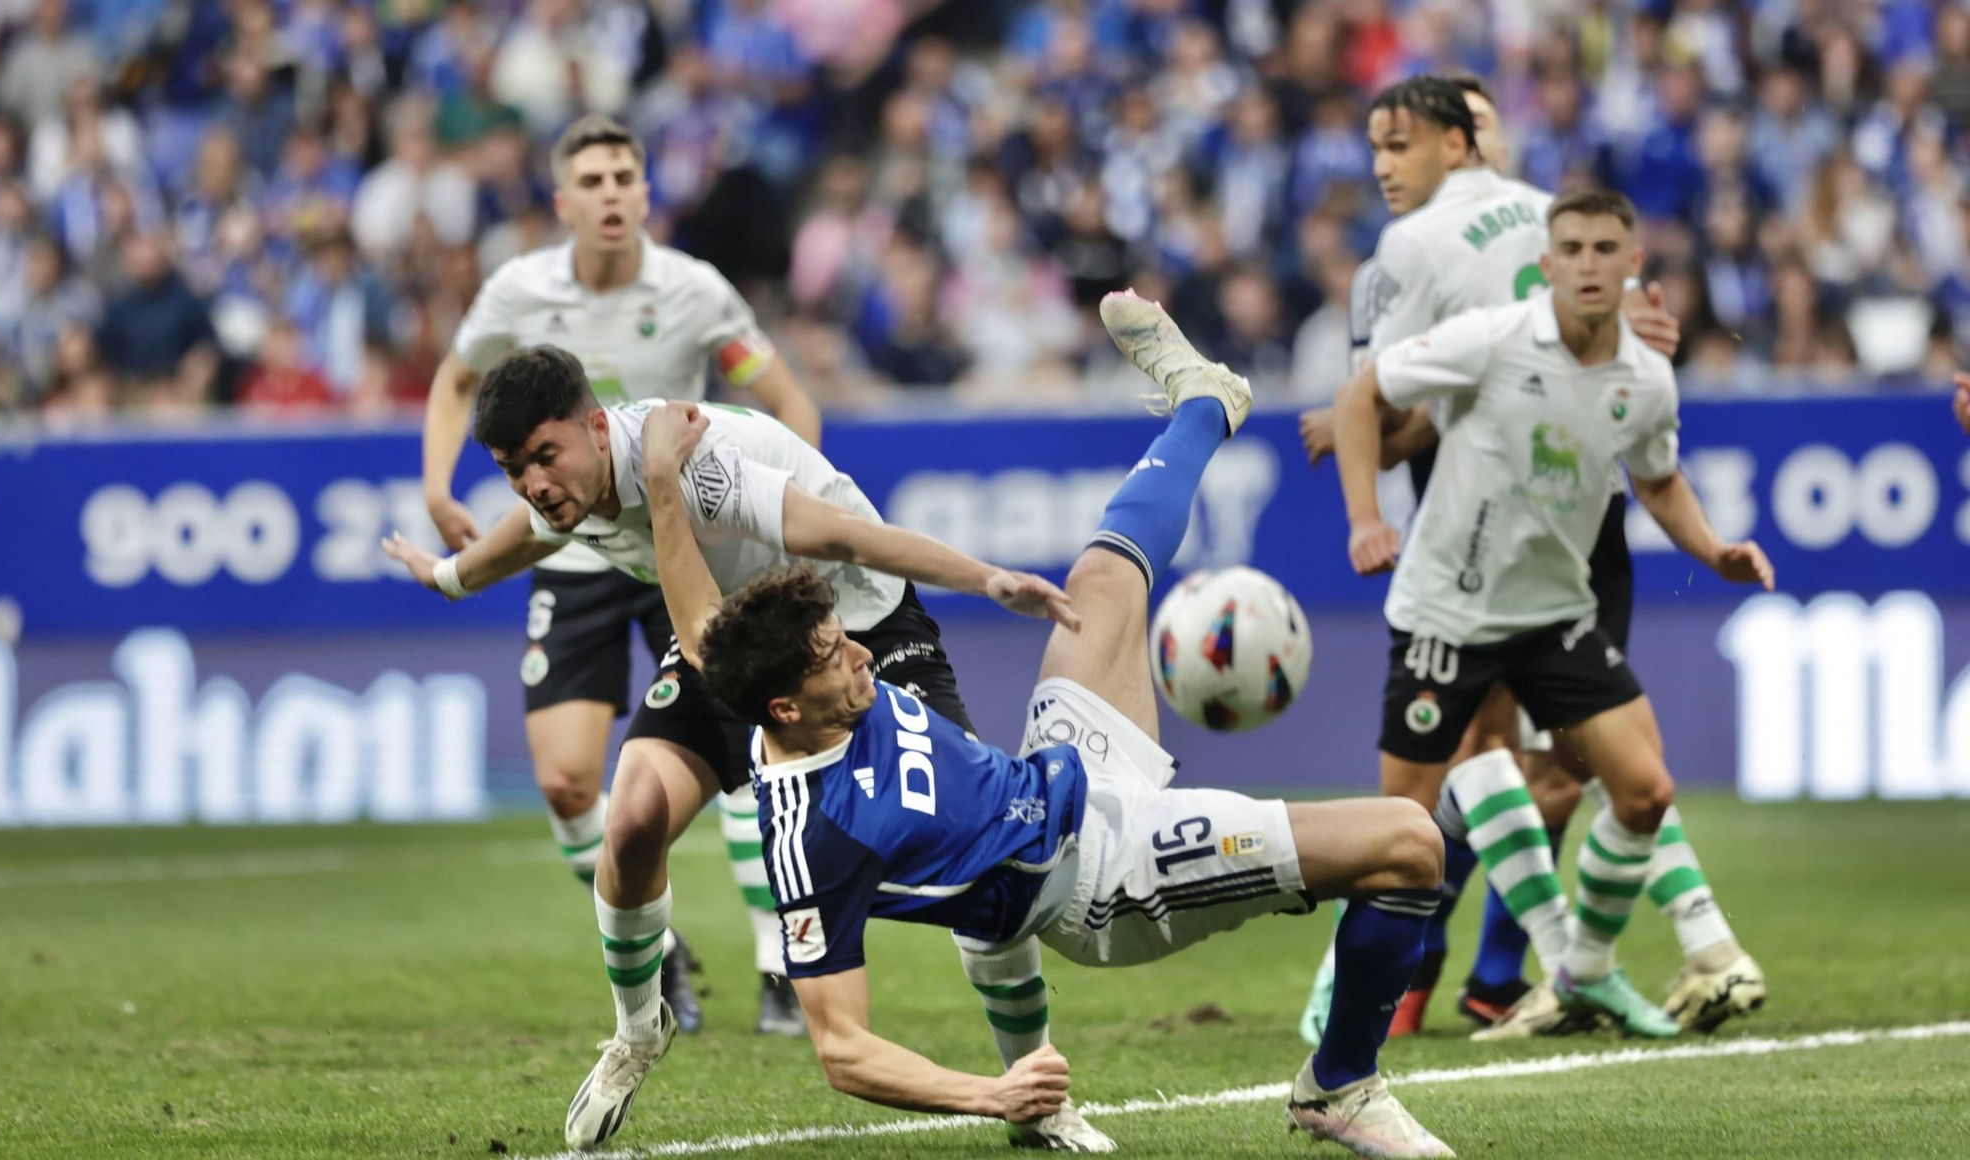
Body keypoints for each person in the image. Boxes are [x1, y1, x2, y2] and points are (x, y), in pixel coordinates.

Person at [635, 293, 1458, 1159]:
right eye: (838, 660)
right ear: (786, 709)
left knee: (1100, 578)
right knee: (1410, 843)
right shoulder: (815, 836)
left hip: (1059, 773)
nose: (865, 660)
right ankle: (1341, 1085)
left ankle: (1205, 396)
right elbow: (843, 1050)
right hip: (1105, 880)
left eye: (847, 641)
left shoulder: (762, 682)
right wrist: (993, 1094)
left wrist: (661, 486)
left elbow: (702, 632)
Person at [381, 344, 1084, 1153]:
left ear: (596, 426)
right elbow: (526, 535)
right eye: (514, 469)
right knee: (634, 816)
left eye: (544, 457)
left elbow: (846, 537)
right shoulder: (566, 486)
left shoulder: (695, 463)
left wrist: (988, 579)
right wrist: (447, 578)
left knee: (982, 852)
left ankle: (1036, 1089)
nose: (535, 484)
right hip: (733, 635)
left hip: (855, 621)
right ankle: (638, 1032)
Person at [1298, 76, 1762, 1042]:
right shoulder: (1479, 301)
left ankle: (1549, 970)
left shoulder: (1589, 324)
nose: (1385, 165)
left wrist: (1714, 548)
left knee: (1586, 776)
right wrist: (1365, 486)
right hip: (1461, 571)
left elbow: (1387, 420)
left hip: (1561, 569)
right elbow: (1389, 413)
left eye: (1403, 144)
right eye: (1375, 147)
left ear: (1470, 145)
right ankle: (1414, 981)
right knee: (1434, 798)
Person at [421, 114, 822, 1035]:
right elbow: (453, 381)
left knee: (744, 756)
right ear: (562, 202)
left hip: (690, 546)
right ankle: (657, 941)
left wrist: (781, 503)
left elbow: (786, 395)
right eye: (592, 181)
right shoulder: (519, 292)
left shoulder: (695, 291)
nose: (611, 194)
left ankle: (777, 967)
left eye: (625, 177)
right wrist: (439, 486)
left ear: (647, 192)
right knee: (566, 781)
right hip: (581, 549)